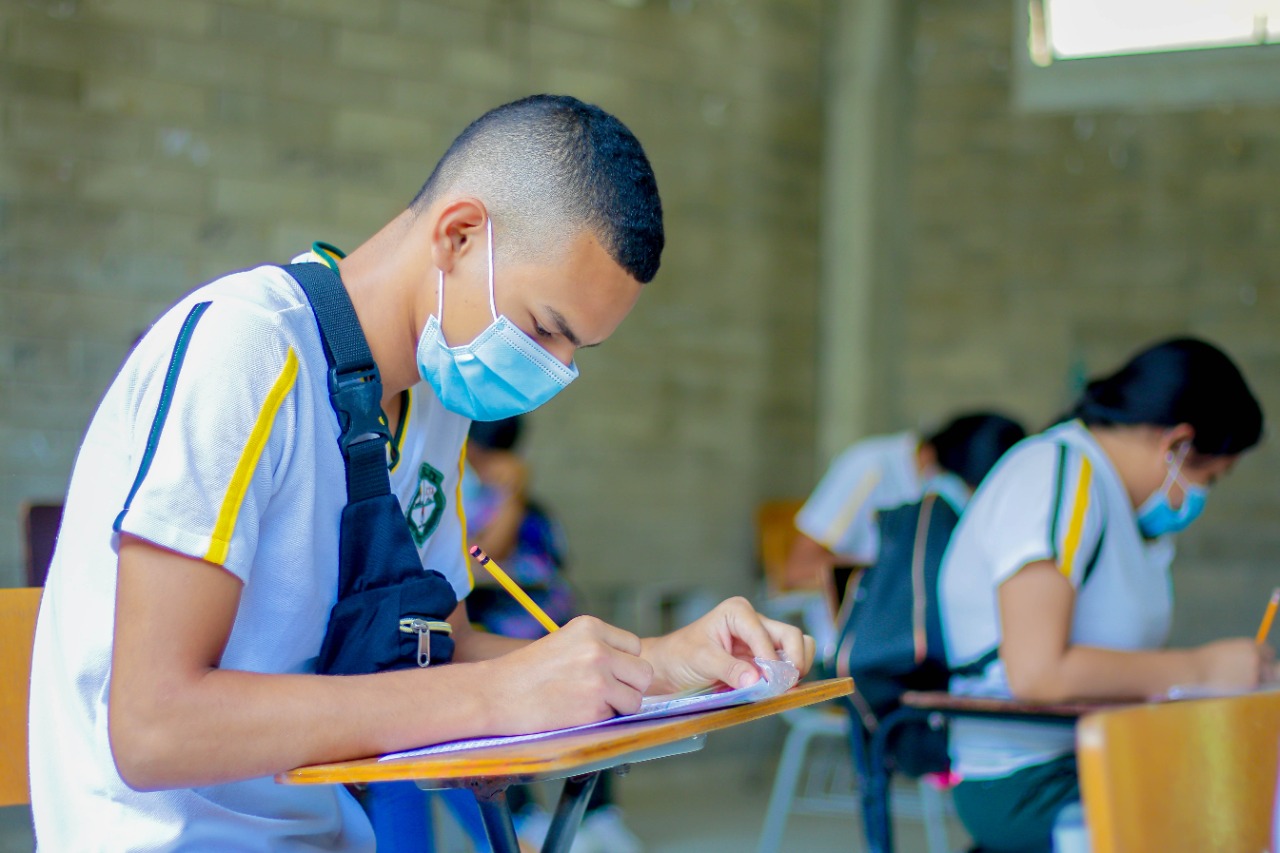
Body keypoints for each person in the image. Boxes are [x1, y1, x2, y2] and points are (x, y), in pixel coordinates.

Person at [27, 94, 814, 851]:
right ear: (460, 234)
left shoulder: (435, 410)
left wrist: (663, 663)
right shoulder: (247, 349)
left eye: (578, 351)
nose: (557, 370)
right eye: (546, 328)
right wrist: (495, 697)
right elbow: (153, 727)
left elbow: (439, 658)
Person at [938, 337, 1274, 853]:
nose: (1201, 495)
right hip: (1028, 779)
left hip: (1094, 752)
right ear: (1178, 445)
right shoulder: (1059, 476)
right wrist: (1204, 670)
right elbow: (1038, 672)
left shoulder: (1118, 505)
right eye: (1211, 476)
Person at [462, 416, 642, 853]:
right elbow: (493, 553)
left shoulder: (535, 510)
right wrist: (511, 495)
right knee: (498, 712)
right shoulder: (467, 497)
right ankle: (527, 820)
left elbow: (556, 562)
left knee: (599, 694)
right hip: (497, 632)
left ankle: (598, 814)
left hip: (555, 625)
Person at [785, 413, 1026, 608]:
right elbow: (797, 569)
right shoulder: (869, 468)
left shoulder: (949, 482)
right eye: (971, 490)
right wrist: (896, 573)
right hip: (861, 640)